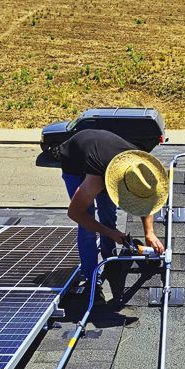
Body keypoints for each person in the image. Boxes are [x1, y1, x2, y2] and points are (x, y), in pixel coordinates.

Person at [57, 129, 167, 302]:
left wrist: (149, 232)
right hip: (75, 158)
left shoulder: (139, 167)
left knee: (108, 214)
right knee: (87, 223)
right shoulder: (97, 180)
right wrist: (110, 233)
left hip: (102, 154)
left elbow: (144, 195)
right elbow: (75, 213)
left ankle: (110, 260)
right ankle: (92, 278)